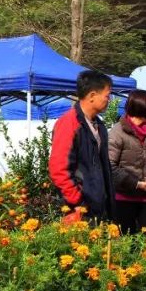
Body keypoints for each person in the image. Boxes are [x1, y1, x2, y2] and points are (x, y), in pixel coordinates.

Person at [48, 70, 115, 221]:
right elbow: (59, 169)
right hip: (79, 210)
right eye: (107, 95)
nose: (109, 100)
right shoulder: (69, 123)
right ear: (92, 96)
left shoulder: (99, 126)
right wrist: (77, 202)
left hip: (99, 207)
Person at [108, 89, 146, 241]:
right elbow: (110, 166)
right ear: (142, 106)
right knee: (126, 244)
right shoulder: (117, 133)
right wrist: (136, 184)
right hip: (123, 199)